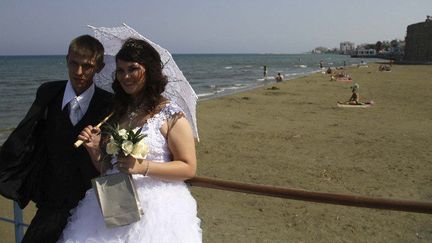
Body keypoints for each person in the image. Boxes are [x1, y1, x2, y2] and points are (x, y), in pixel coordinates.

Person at [59, 38, 202, 242]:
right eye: (120, 70)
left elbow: (189, 168)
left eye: (133, 69)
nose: (125, 76)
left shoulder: (171, 114)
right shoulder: (118, 112)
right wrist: (94, 150)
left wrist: (143, 166)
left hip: (156, 210)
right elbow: (107, 169)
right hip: (116, 204)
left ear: (149, 70)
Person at [0, 35, 113, 242]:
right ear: (66, 59)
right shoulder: (48, 92)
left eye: (87, 66)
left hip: (91, 203)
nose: (78, 72)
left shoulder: (109, 105)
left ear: (99, 66)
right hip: (51, 202)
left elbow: (110, 160)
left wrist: (97, 147)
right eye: (74, 64)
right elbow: (26, 134)